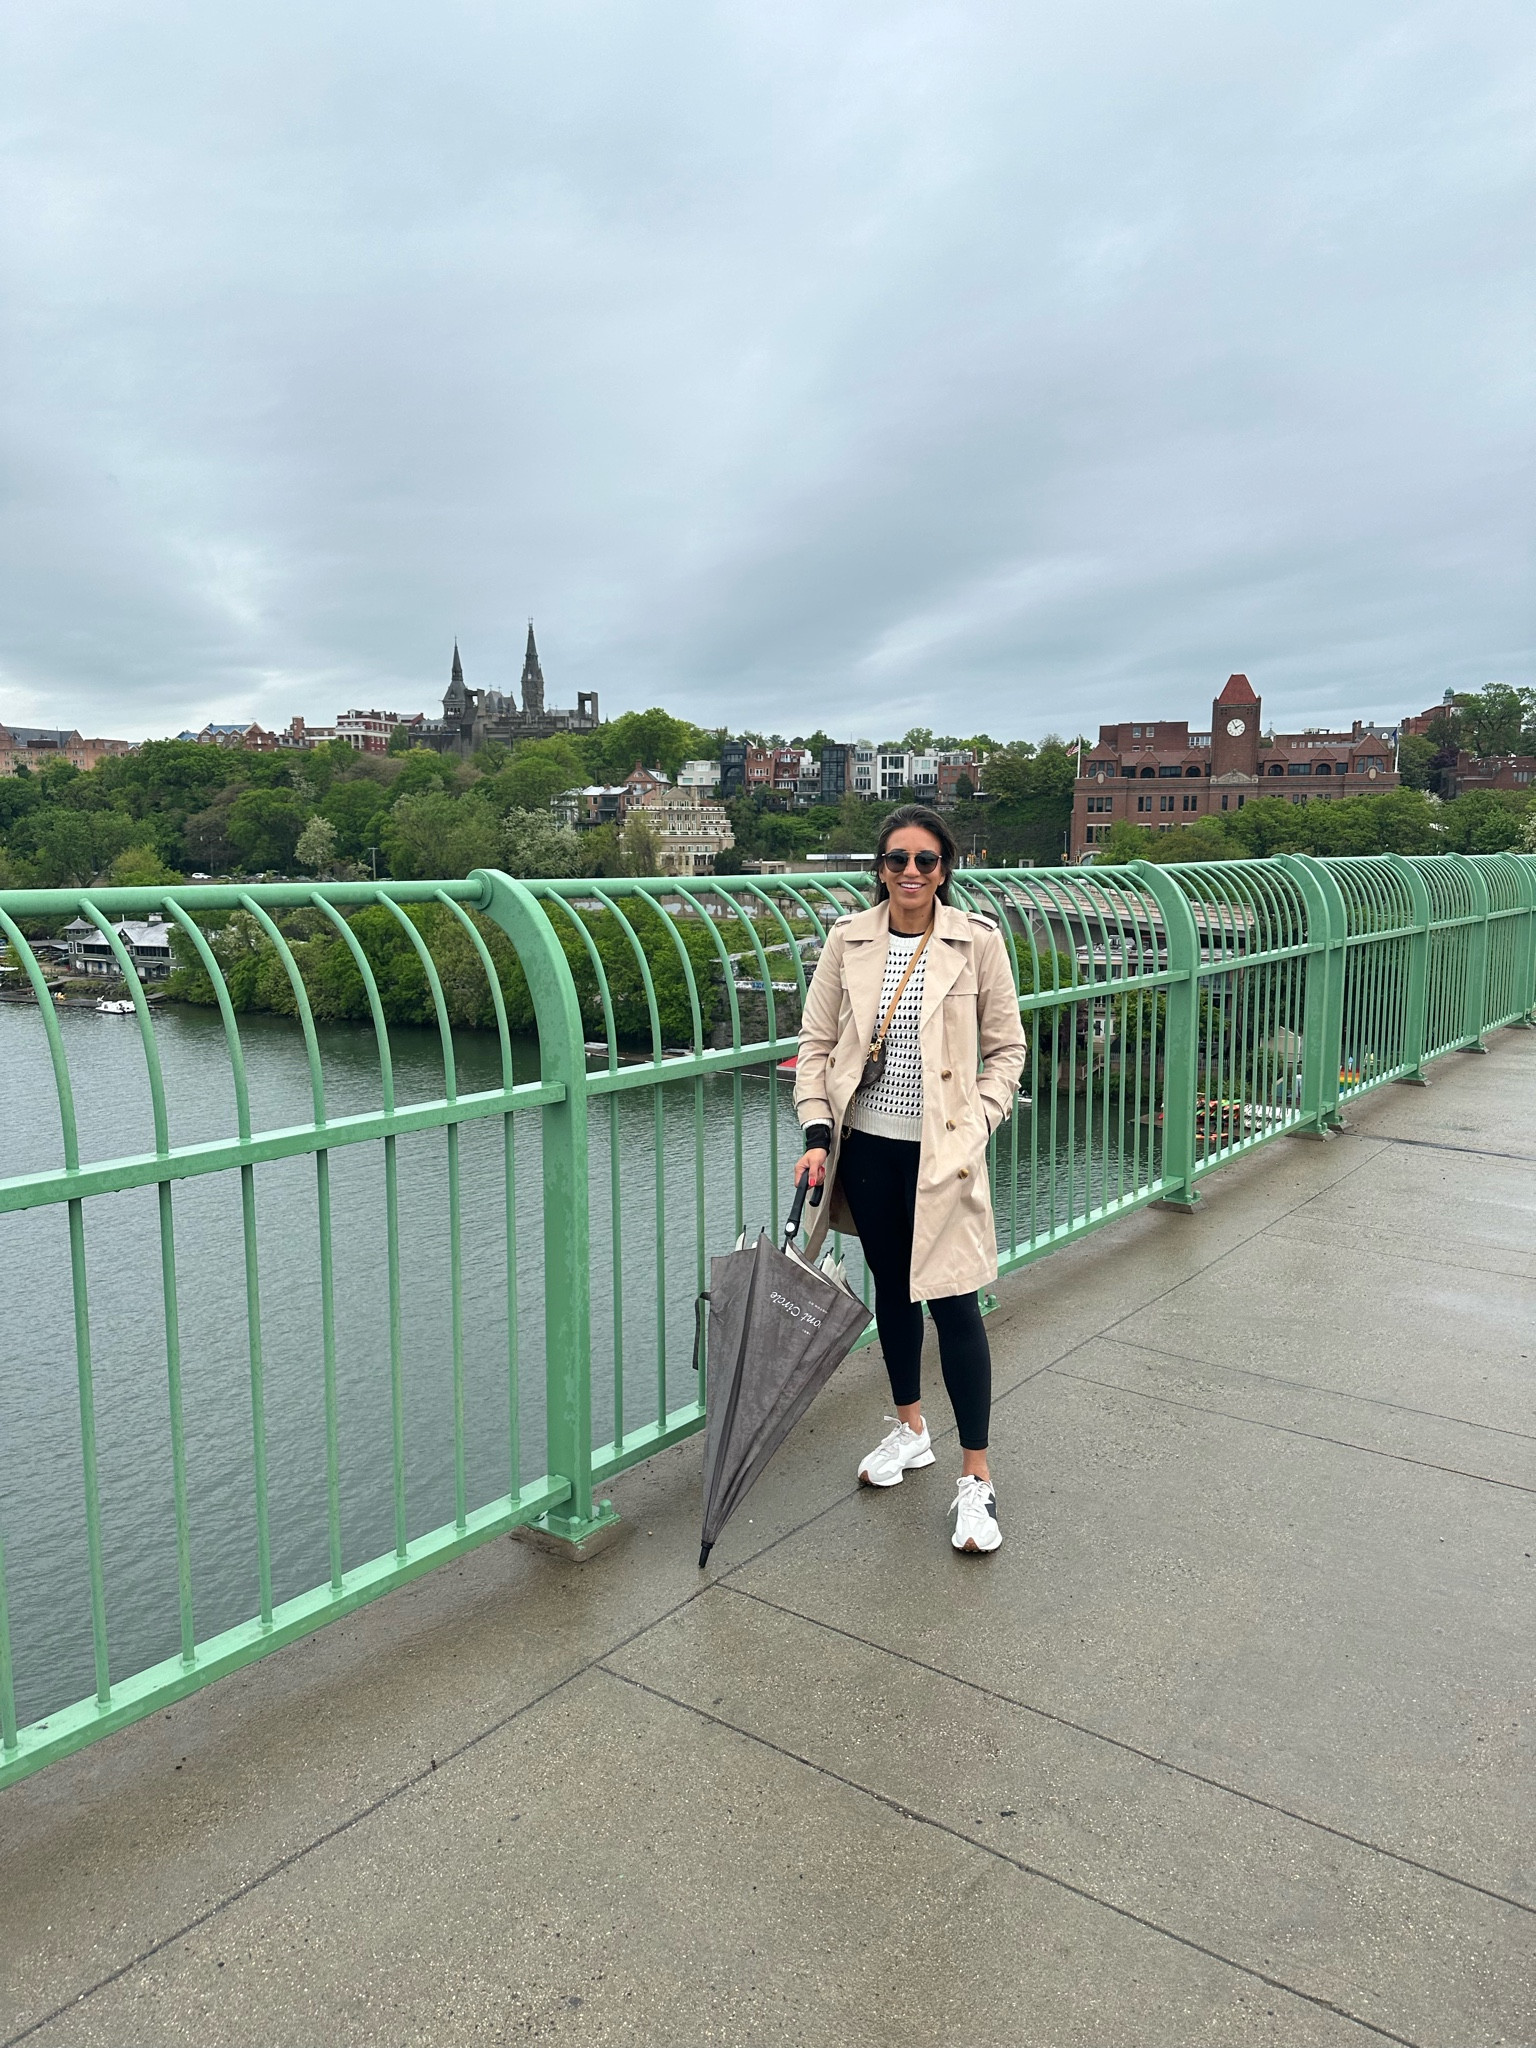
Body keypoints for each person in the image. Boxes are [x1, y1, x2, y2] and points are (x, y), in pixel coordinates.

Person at [792, 805, 1026, 1554]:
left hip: (942, 1154)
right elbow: (816, 1043)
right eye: (898, 861)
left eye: (927, 861)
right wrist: (818, 1133)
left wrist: (979, 1122)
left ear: (946, 868)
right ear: (880, 869)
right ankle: (911, 1429)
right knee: (891, 1294)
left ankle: (977, 1479)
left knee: (956, 1304)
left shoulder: (976, 942)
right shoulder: (847, 942)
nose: (912, 874)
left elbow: (1008, 1051)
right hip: (866, 1148)